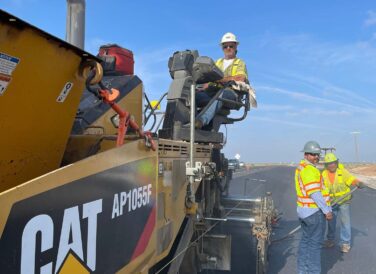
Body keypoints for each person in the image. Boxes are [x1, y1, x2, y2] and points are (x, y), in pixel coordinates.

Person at [195, 32, 249, 128]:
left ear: (236, 47)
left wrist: (220, 79)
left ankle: (201, 121)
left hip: (232, 94)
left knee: (223, 94)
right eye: (225, 46)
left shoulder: (239, 63)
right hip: (214, 92)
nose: (228, 48)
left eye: (231, 46)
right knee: (193, 96)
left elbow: (241, 78)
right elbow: (210, 80)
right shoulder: (218, 62)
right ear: (222, 48)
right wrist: (201, 87)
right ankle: (186, 121)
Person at [295, 141, 332, 274]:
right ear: (306, 154)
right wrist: (326, 210)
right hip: (314, 213)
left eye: (317, 154)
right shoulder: (309, 170)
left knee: (306, 242)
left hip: (304, 212)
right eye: (313, 154)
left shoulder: (302, 167)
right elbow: (314, 193)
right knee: (315, 246)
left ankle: (303, 271)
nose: (316, 157)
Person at [322, 153, 365, 253]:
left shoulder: (342, 172)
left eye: (333, 163)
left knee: (345, 222)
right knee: (331, 223)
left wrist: (358, 183)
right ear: (326, 165)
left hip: (344, 201)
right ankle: (330, 240)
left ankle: (345, 243)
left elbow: (351, 179)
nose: (332, 165)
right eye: (329, 163)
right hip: (331, 203)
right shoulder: (323, 175)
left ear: (336, 163)